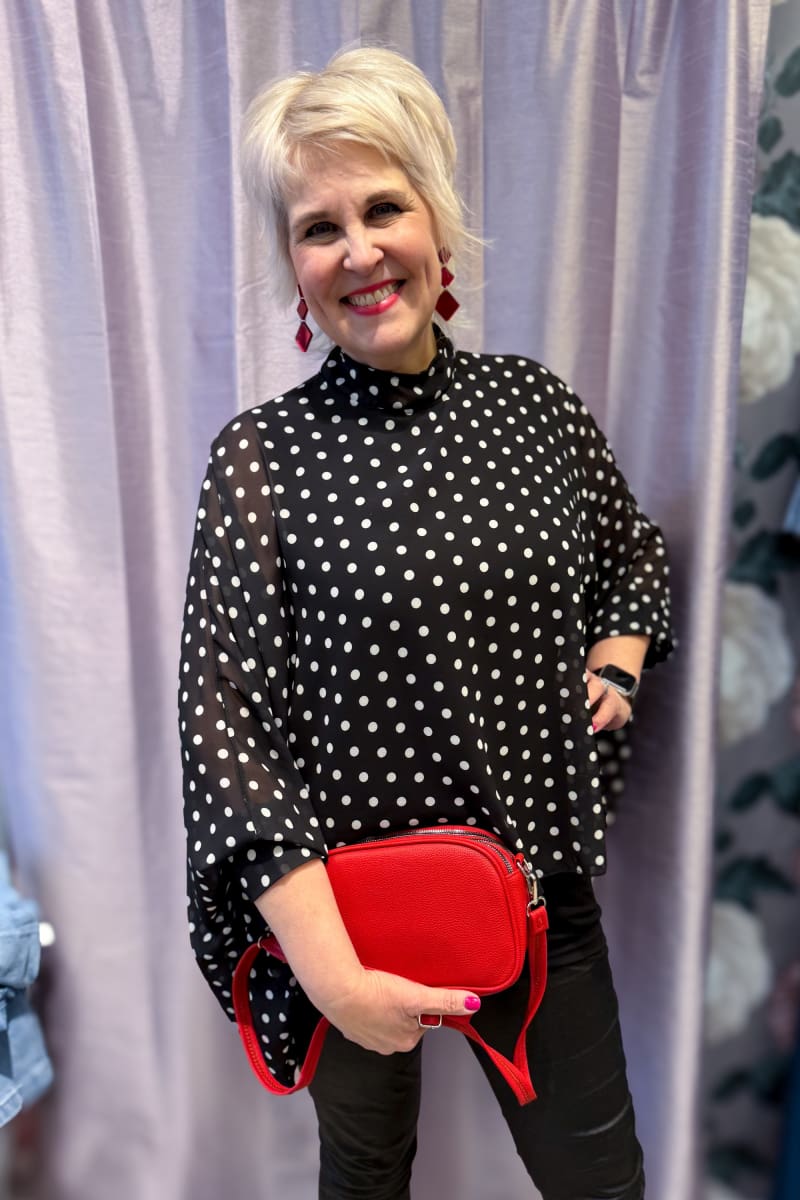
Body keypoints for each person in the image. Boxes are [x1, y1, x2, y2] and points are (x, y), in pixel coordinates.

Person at [178, 45, 674, 1200]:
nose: (357, 251)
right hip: (346, 921)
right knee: (364, 1181)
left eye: (382, 208)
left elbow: (630, 553)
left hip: (542, 897)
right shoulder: (259, 461)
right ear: (292, 263)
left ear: (435, 220)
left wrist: (615, 661)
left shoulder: (532, 409)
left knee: (600, 1182)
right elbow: (226, 738)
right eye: (318, 227)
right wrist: (336, 981)